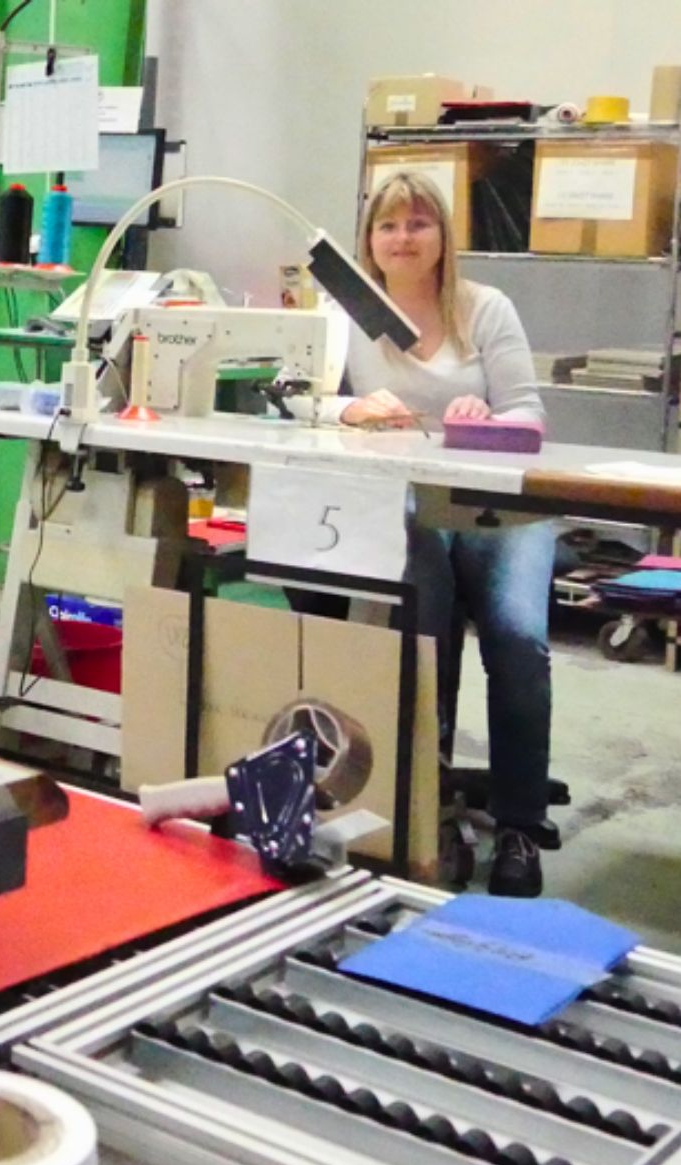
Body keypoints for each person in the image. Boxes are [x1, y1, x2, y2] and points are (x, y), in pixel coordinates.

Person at [333, 170, 554, 899]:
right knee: (416, 634)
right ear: (369, 238)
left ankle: (519, 825)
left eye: (418, 223)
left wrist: (486, 421)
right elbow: (301, 396)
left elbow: (529, 413)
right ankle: (422, 805)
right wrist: (350, 410)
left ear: (443, 235)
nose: (403, 238)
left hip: (497, 506)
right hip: (408, 508)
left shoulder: (484, 308)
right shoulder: (350, 314)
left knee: (517, 639)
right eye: (389, 225)